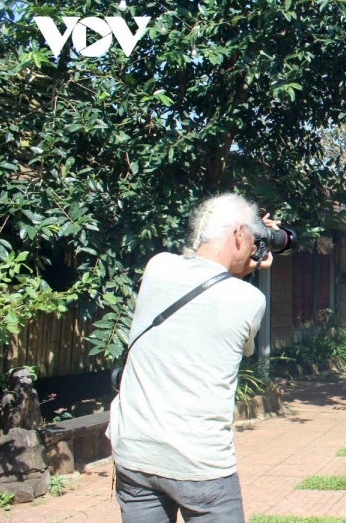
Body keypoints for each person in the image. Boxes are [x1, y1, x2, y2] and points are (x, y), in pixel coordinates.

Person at [108, 194, 278, 522]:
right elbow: (241, 341)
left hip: (134, 452)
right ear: (239, 235)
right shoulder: (249, 299)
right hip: (199, 464)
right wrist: (249, 268)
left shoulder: (157, 266)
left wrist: (244, 260)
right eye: (254, 238)